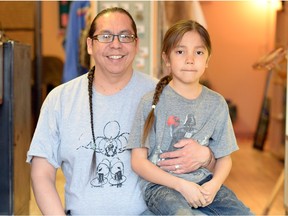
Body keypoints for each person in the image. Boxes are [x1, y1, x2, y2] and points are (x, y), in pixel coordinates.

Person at [26, 8, 215, 215]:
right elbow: (42, 172)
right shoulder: (60, 99)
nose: (116, 44)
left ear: (136, 45)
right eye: (105, 36)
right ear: (90, 45)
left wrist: (206, 156)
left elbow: (205, 163)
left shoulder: (163, 95)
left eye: (125, 36)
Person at [128, 20, 253, 215]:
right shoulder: (150, 102)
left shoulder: (217, 103)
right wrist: (181, 185)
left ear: (207, 59)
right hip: (162, 187)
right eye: (180, 52)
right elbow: (138, 161)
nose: (190, 59)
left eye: (199, 52)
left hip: (204, 182)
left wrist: (214, 185)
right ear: (166, 59)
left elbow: (225, 159)